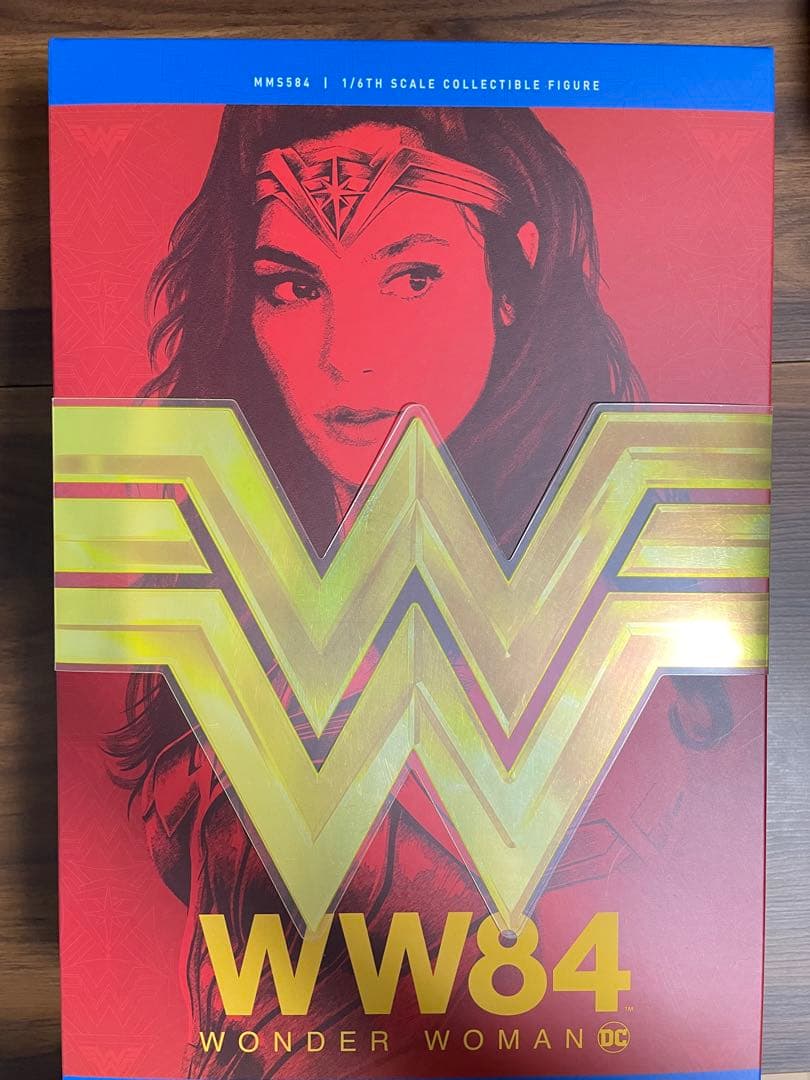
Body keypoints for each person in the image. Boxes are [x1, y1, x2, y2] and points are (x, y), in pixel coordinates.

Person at [108, 105, 740, 1078]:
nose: (346, 354)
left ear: (510, 282)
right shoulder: (213, 588)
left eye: (411, 276)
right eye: (294, 286)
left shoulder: (634, 600)